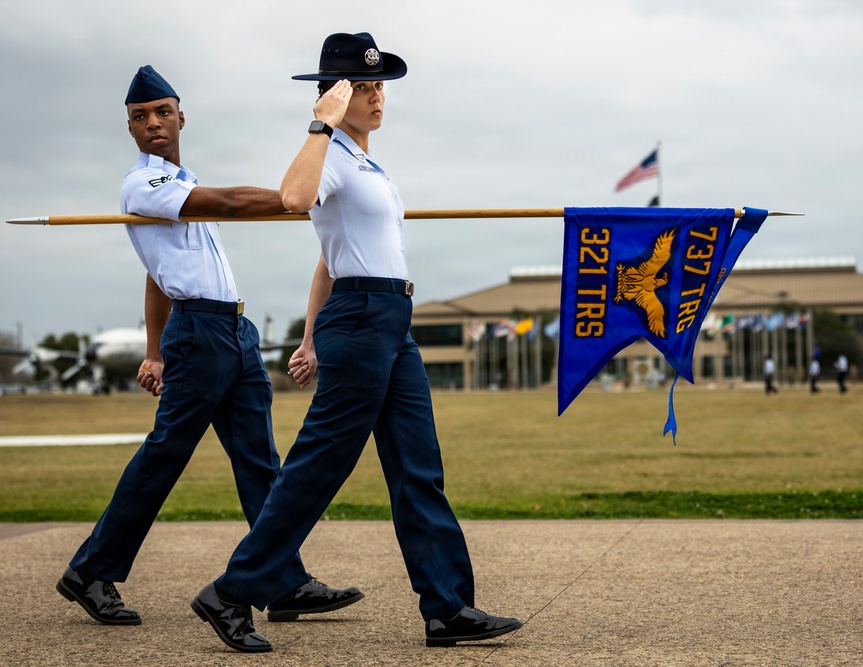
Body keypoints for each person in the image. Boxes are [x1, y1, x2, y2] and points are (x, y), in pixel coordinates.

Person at [190, 33, 522, 653]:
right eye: (362, 88)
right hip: (364, 319)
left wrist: (311, 336)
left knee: (418, 466)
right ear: (335, 96)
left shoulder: (369, 165)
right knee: (320, 465)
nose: (376, 98)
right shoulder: (333, 154)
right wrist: (319, 125)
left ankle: (447, 607)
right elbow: (293, 199)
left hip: (387, 318)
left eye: (378, 87)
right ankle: (231, 592)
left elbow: (327, 261)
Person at [56, 65, 361, 628]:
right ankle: (91, 571)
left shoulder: (180, 183)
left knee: (259, 463)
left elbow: (155, 275)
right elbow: (234, 204)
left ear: (180, 117)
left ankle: (283, 579)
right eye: (140, 118)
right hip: (200, 332)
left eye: (162, 113)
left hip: (234, 331)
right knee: (166, 454)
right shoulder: (143, 184)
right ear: (130, 128)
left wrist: (152, 350)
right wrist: (305, 198)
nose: (152, 124)